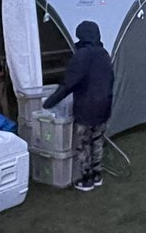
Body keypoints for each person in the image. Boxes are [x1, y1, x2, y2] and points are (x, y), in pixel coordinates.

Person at [43, 20, 114, 192]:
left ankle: (86, 179)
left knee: (84, 144)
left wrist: (49, 103)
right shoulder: (104, 54)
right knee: (97, 141)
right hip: (104, 105)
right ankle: (97, 175)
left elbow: (69, 83)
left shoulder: (82, 55)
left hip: (86, 107)